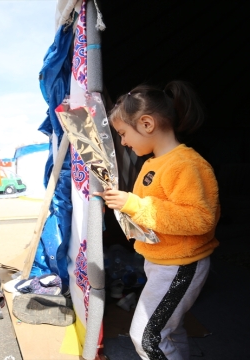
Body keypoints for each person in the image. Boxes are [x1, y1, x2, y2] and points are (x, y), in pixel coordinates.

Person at [94, 81, 219, 360]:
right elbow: (144, 209)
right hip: (161, 262)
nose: (123, 141)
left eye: (123, 133)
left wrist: (134, 204)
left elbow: (200, 219)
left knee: (147, 339)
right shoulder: (151, 162)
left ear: (147, 124)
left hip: (180, 265)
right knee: (169, 332)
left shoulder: (186, 163)